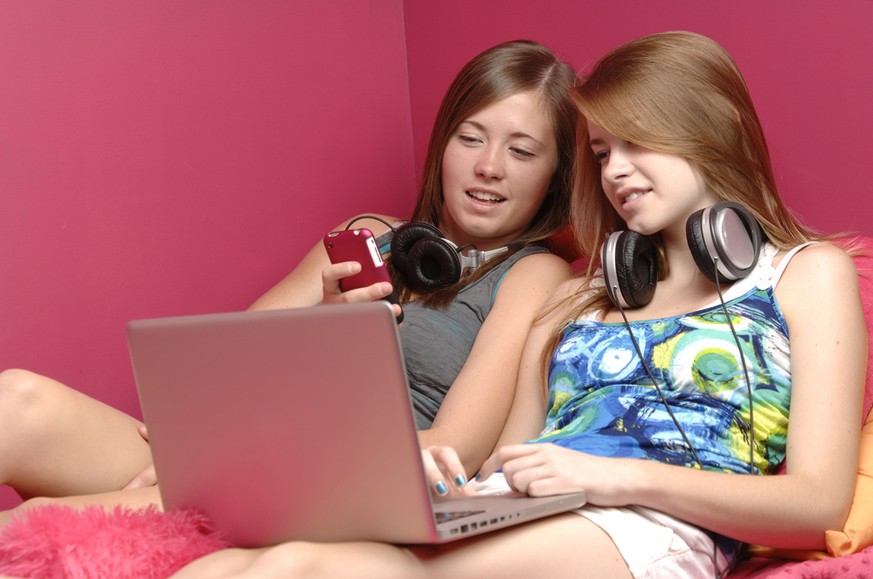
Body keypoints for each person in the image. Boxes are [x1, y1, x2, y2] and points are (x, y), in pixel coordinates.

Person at [173, 31, 867, 578]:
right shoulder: (579, 294)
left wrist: (613, 477)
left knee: (313, 570)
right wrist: (432, 485)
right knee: (229, 566)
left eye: (637, 141)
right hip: (515, 506)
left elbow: (816, 503)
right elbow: (501, 456)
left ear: (713, 131)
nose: (615, 171)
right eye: (601, 151)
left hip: (643, 528)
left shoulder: (807, 274)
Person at [0, 39, 578, 521]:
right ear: (444, 144)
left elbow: (453, 449)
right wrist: (322, 331)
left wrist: (238, 464)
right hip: (235, 455)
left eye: (522, 151)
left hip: (343, 484)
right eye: (470, 138)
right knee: (20, 399)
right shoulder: (367, 234)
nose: (489, 166)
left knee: (35, 522)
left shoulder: (534, 273)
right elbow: (220, 367)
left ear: (556, 177)